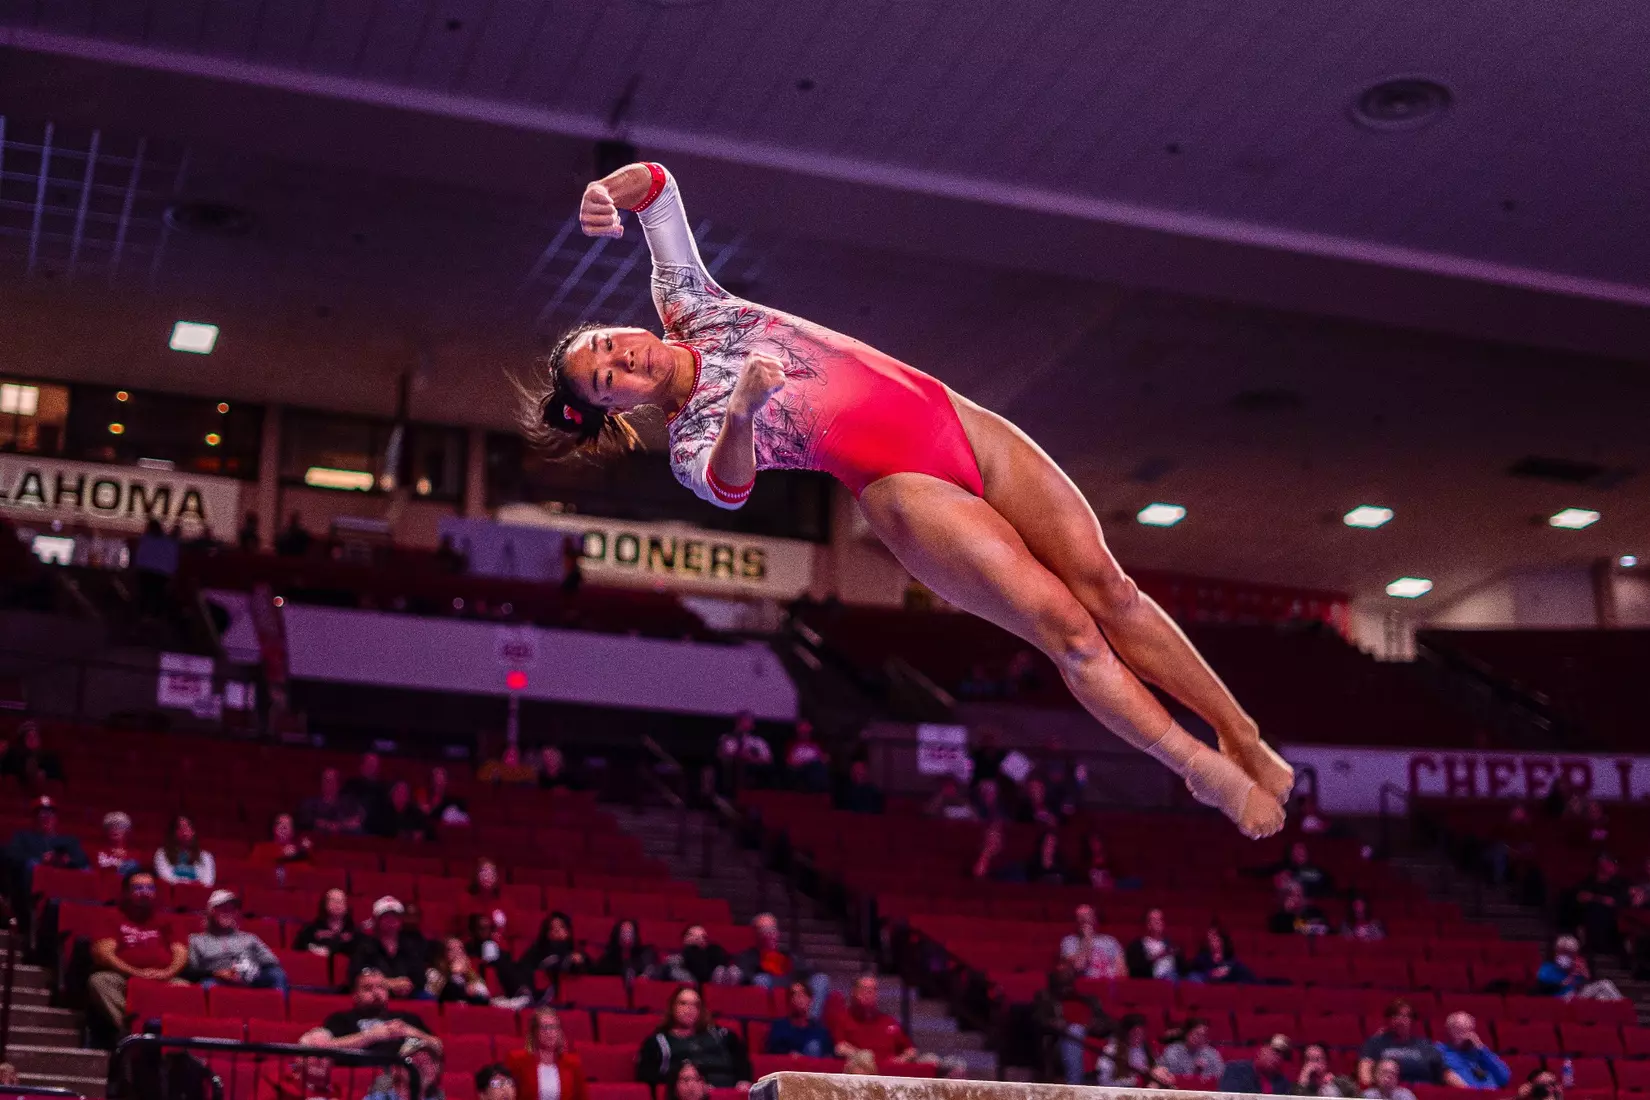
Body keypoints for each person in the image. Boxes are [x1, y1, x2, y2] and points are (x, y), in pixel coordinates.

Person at [522, 160, 1296, 839]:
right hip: (902, 489)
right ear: (617, 409)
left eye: (608, 342)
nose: (622, 358)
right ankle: (1198, 767)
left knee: (1110, 588)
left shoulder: (690, 303)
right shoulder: (692, 440)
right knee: (1072, 632)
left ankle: (1240, 733)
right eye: (606, 380)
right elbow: (728, 489)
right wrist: (742, 412)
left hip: (954, 416)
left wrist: (606, 189)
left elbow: (657, 188)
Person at [87, 870, 188, 1031]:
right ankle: (133, 1029)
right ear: (127, 892)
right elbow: (104, 954)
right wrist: (134, 972)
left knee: (185, 988)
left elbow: (181, 953)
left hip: (162, 978)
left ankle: (168, 1032)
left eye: (150, 888)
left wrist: (167, 973)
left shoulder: (169, 920)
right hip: (124, 978)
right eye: (138, 888)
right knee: (100, 981)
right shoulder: (112, 917)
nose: (145, 893)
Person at [831, 975, 965, 1079]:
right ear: (854, 992)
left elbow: (911, 1050)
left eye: (873, 990)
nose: (869, 993)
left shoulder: (888, 1021)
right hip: (865, 1064)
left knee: (939, 1060)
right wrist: (863, 1056)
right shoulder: (844, 1018)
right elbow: (840, 1047)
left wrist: (900, 1060)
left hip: (892, 1065)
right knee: (864, 1058)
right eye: (865, 989)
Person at [636, 985, 751, 1088]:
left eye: (695, 1005)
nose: (689, 1009)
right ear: (672, 1007)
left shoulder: (722, 1035)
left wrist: (743, 1080)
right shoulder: (657, 1043)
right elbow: (647, 1079)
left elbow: (743, 1063)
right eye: (683, 1003)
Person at [727, 912, 830, 1017]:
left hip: (790, 983)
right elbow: (746, 976)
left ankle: (811, 1021)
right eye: (764, 931)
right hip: (770, 985)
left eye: (772, 930)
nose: (770, 935)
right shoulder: (749, 955)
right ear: (756, 935)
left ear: (778, 933)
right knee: (761, 979)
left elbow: (804, 971)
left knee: (821, 979)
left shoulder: (788, 954)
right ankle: (774, 1020)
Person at [187, 889, 288, 992]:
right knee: (207, 985)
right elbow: (191, 971)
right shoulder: (196, 940)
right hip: (219, 981)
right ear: (211, 912)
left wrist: (252, 970)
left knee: (277, 975)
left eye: (231, 909)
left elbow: (272, 961)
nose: (227, 912)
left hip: (250, 980)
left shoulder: (249, 938)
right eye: (222, 909)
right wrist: (216, 973)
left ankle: (279, 1007)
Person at [1032, 963, 1113, 1085]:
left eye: (1069, 976)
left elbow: (1108, 1023)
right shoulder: (1045, 999)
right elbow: (1038, 1020)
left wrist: (1092, 1025)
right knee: (1075, 1031)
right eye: (1061, 977)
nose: (1066, 982)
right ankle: (1074, 1085)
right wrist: (1056, 1024)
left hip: (1090, 1041)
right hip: (1060, 1042)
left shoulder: (1089, 1000)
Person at [321, 970, 437, 1054]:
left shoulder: (407, 1018)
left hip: (400, 1078)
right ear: (355, 995)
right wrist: (370, 1036)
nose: (376, 993)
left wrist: (409, 1031)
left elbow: (438, 1046)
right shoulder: (340, 1019)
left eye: (381, 987)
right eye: (368, 988)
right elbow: (323, 1047)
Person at [1357, 1000, 1451, 1089]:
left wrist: (1465, 1091)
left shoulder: (1426, 1045)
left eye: (1406, 1016)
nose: (1401, 1020)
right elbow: (1365, 1072)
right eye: (1396, 1015)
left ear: (1412, 1021)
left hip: (1425, 1092)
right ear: (1388, 1019)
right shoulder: (1375, 1043)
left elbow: (1446, 1074)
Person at [349, 897, 429, 998]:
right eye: (386, 916)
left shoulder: (410, 947)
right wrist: (387, 983)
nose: (391, 921)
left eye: (395, 917)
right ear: (377, 920)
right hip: (374, 995)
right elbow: (356, 976)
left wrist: (408, 985)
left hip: (407, 995)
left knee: (426, 998)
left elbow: (420, 977)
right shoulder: (365, 947)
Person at [504, 1007, 589, 1100]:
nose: (549, 1032)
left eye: (553, 1027)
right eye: (544, 1027)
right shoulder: (517, 1060)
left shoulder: (573, 1063)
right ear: (534, 1032)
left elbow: (581, 1097)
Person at [6, 796, 89, 876]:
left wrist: (67, 861)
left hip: (63, 882)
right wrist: (40, 859)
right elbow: (13, 857)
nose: (46, 817)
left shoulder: (69, 841)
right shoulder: (22, 838)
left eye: (50, 813)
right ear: (34, 818)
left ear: (56, 818)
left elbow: (82, 860)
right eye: (41, 813)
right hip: (33, 882)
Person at [1569, 852, 1628, 954]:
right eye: (1605, 862)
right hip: (1587, 915)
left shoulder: (1619, 884)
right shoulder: (1589, 881)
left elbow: (1612, 901)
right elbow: (1580, 897)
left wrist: (1594, 897)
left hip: (1610, 918)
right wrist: (1599, 899)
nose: (1610, 866)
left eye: (1612, 863)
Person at [1095, 1012, 1175, 1088]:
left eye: (1141, 1034)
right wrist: (1135, 1081)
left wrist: (1162, 1074)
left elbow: (1155, 1069)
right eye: (1135, 1033)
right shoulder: (1111, 1051)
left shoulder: (1146, 1049)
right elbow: (1104, 1082)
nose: (1138, 1037)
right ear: (1125, 1033)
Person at [1435, 1012, 1510, 1091]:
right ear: (1448, 1031)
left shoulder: (1481, 1053)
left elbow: (1504, 1079)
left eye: (1469, 1030)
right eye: (1459, 1030)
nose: (1466, 1035)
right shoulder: (1439, 1052)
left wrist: (1482, 1048)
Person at [1535, 935, 1624, 1001]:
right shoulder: (1547, 968)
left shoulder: (1575, 966)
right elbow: (1541, 989)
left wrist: (1585, 974)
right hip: (1560, 999)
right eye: (1566, 953)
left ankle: (1623, 1008)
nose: (1569, 957)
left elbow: (1581, 986)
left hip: (1576, 996)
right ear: (1557, 952)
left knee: (1603, 991)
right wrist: (1563, 983)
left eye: (1572, 954)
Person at [765, 981, 836, 1058]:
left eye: (803, 993)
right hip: (790, 1067)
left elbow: (829, 1056)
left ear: (810, 1000)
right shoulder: (779, 1027)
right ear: (789, 1001)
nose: (799, 997)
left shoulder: (820, 1030)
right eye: (794, 994)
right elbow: (773, 1053)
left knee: (814, 1046)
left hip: (814, 1067)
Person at [1059, 905, 1125, 980]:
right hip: (1086, 985)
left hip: (1109, 984)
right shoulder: (1069, 942)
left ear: (1095, 919)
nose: (1084, 920)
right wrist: (1087, 940)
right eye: (1080, 917)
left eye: (1088, 916)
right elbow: (1079, 966)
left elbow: (1122, 971)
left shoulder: (1110, 941)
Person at [295, 889, 361, 958]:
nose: (338, 904)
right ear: (325, 904)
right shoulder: (311, 929)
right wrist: (312, 948)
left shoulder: (354, 931)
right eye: (333, 900)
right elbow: (299, 948)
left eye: (342, 901)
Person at [1219, 1035, 1295, 1094]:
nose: (1279, 1057)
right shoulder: (1235, 1070)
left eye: (1285, 1056)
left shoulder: (1282, 1082)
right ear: (1262, 1049)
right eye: (1276, 1051)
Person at [299, 768, 366, 835]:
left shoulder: (348, 803)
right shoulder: (311, 804)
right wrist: (327, 825)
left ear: (338, 784)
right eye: (326, 781)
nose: (328, 785)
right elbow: (307, 821)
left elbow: (359, 818)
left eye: (332, 781)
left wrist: (340, 826)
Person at [153, 814, 215, 886]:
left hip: (198, 894)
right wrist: (190, 884)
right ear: (173, 832)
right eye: (180, 827)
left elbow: (208, 882)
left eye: (188, 826)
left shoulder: (206, 856)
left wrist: (190, 885)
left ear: (193, 831)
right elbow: (165, 877)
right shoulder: (161, 853)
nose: (184, 831)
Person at [659, 924, 731, 985]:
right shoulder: (674, 960)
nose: (699, 939)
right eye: (693, 935)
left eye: (703, 937)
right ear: (684, 938)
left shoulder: (714, 959)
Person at [524, 912, 588, 978]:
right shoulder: (537, 950)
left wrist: (578, 962)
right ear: (547, 933)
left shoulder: (575, 954)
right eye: (552, 928)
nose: (557, 930)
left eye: (561, 927)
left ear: (568, 932)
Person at [430, 937, 492, 1005]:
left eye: (460, 949)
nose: (457, 953)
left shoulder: (470, 974)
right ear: (443, 954)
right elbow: (435, 995)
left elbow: (485, 994)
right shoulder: (434, 973)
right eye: (451, 950)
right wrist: (454, 974)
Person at [0, 721, 63, 787]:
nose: (32, 739)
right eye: (28, 736)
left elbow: (58, 782)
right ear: (22, 740)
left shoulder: (50, 758)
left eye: (35, 736)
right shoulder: (13, 757)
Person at [1188, 924, 1257, 983]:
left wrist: (1228, 971)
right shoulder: (1202, 958)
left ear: (1222, 940)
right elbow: (1192, 972)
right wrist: (1210, 974)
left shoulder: (1231, 961)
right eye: (1209, 938)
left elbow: (1244, 973)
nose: (1211, 941)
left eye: (1214, 938)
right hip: (1207, 988)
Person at [1125, 908, 1182, 980]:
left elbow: (1183, 968)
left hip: (1175, 977)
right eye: (1154, 920)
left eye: (1160, 919)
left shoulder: (1171, 944)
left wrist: (1178, 954)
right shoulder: (1137, 946)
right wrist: (1157, 957)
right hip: (1154, 981)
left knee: (1194, 978)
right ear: (1147, 924)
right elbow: (1135, 970)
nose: (1158, 922)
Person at [250, 813, 315, 872]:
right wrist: (280, 852)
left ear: (293, 832)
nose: (283, 827)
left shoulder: (300, 854)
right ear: (274, 828)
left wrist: (306, 852)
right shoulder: (260, 849)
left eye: (287, 825)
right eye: (280, 824)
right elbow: (254, 871)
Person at [784, 720, 830, 792]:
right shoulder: (792, 745)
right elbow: (789, 762)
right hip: (800, 769)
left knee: (818, 767)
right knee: (814, 766)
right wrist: (806, 762)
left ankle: (821, 792)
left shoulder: (815, 745)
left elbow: (824, 759)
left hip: (815, 767)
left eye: (807, 731)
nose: (805, 733)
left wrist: (824, 758)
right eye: (802, 731)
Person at [98, 813, 146, 880]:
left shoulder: (135, 853)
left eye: (120, 827)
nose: (114, 829)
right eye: (110, 827)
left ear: (127, 831)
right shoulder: (98, 851)